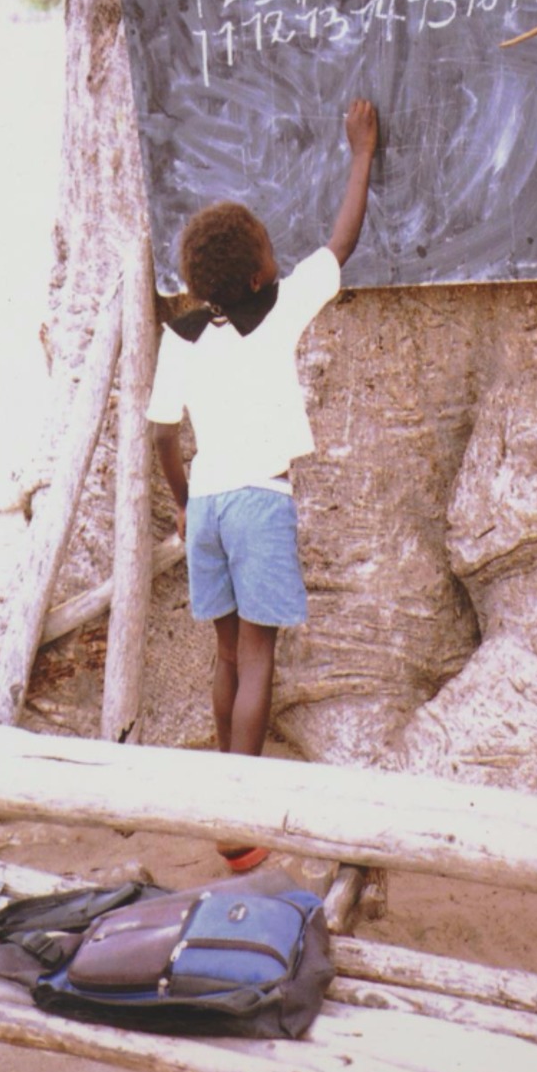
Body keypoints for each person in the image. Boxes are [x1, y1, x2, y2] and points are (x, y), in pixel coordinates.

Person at [147, 98, 379, 874]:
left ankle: (223, 784)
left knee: (223, 657)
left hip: (208, 504)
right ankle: (241, 822)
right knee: (257, 658)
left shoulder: (180, 333)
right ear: (258, 273)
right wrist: (360, 154)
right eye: (272, 250)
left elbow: (161, 436)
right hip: (259, 504)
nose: (280, 256)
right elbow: (341, 242)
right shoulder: (276, 315)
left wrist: (182, 502)